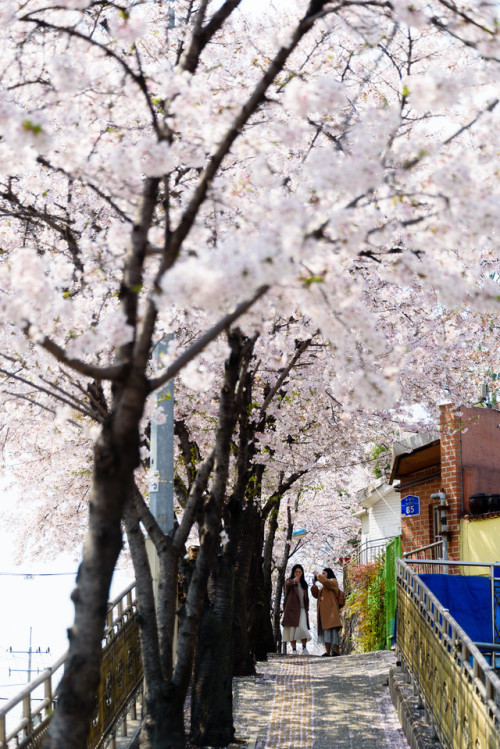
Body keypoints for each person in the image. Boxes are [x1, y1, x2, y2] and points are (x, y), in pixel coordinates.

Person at [281, 564, 312, 655]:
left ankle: (304, 648)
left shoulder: (304, 584)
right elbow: (287, 584)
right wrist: (294, 581)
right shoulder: (290, 581)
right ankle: (294, 650)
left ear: (302, 573)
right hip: (292, 610)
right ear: (293, 573)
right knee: (292, 630)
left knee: (303, 628)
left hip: (302, 610)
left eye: (300, 572)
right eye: (296, 572)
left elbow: (306, 598)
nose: (298, 573)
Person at [311, 567, 342, 656]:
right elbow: (316, 595)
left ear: (329, 573)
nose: (322, 575)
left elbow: (326, 582)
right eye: (322, 573)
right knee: (326, 633)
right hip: (324, 614)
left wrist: (317, 575)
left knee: (333, 632)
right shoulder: (324, 587)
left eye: (324, 573)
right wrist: (314, 587)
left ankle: (336, 651)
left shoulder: (333, 582)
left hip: (331, 612)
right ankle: (328, 652)